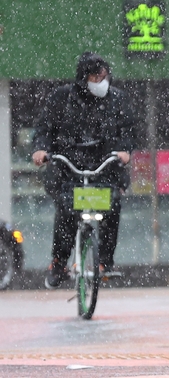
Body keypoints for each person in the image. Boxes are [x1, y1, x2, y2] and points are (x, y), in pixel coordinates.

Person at [32, 52, 134, 289]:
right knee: (67, 210)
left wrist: (124, 151)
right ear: (83, 77)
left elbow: (127, 131)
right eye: (97, 77)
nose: (102, 82)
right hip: (69, 167)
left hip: (104, 167)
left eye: (105, 77)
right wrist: (41, 150)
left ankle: (105, 262)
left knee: (112, 205)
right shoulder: (60, 99)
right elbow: (44, 129)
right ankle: (58, 263)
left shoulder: (117, 100)